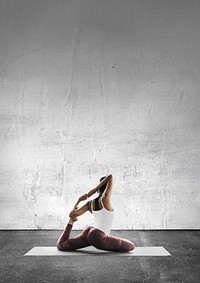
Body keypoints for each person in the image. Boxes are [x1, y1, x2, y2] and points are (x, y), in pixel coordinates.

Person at [56, 174, 135, 252]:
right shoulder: (105, 199)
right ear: (109, 188)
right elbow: (110, 176)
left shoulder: (90, 203)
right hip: (98, 236)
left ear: (98, 189)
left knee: (62, 245)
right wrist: (93, 191)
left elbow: (72, 215)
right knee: (131, 246)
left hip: (88, 232)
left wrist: (79, 200)